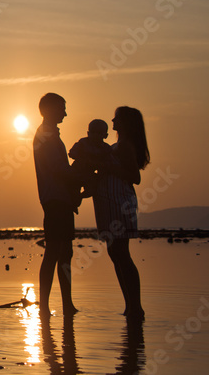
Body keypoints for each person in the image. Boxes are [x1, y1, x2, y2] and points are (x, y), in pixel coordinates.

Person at [93, 106, 149, 318]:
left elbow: (135, 177)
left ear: (124, 123)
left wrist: (107, 168)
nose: (112, 121)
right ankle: (130, 306)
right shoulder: (118, 145)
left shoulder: (125, 146)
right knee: (115, 253)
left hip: (119, 202)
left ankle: (136, 306)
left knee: (121, 254)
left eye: (116, 118)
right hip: (110, 202)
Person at [33, 93, 82, 316]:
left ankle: (65, 304)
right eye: (62, 108)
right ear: (50, 109)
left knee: (64, 252)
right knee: (55, 250)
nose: (65, 112)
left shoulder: (50, 135)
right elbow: (58, 169)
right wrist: (81, 175)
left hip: (58, 198)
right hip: (55, 199)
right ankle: (46, 306)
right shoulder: (46, 136)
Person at [68, 119, 112, 204]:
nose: (95, 135)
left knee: (92, 189)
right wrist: (81, 158)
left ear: (105, 135)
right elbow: (72, 152)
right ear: (88, 133)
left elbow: (108, 163)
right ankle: (73, 201)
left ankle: (79, 197)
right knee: (72, 188)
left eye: (99, 133)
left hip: (90, 174)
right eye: (93, 132)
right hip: (76, 171)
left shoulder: (106, 148)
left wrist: (99, 166)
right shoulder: (83, 142)